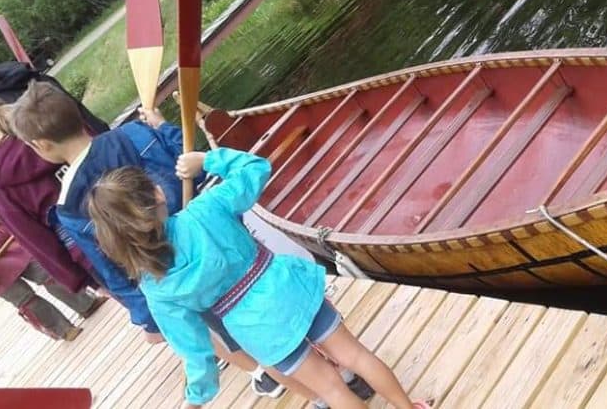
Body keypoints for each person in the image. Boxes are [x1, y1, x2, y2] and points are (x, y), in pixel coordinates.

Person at [11, 81, 371, 402]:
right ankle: (349, 374)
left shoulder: (69, 206)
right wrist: (164, 128)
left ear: (40, 144)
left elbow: (112, 269)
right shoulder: (135, 134)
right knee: (282, 304)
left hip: (180, 282)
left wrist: (146, 315)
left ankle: (323, 397)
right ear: (76, 114)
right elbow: (187, 162)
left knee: (258, 341)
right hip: (219, 238)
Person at [86, 147, 432, 409]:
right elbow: (255, 168)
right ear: (158, 193)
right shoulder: (205, 208)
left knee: (330, 389)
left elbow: (195, 349)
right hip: (288, 288)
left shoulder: (156, 287)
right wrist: (207, 159)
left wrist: (197, 396)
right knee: (355, 356)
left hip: (257, 329)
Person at [0, 90, 94, 295]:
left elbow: (36, 239)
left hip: (89, 251)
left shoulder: (0, 183)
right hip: (134, 212)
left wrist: (77, 279)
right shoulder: (50, 124)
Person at [0, 195, 103, 340]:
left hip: (4, 240)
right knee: (24, 299)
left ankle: (85, 304)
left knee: (47, 274)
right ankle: (63, 329)